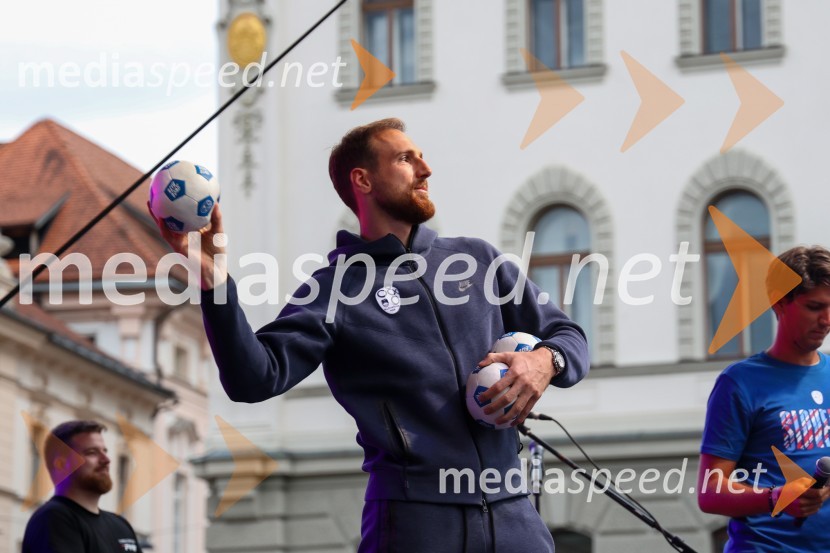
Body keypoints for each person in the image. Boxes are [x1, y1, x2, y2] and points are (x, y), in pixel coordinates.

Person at [153, 118, 590, 551]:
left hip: (514, 514)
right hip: (415, 523)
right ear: (362, 180)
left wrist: (543, 361)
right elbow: (254, 378)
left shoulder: (478, 259)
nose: (425, 169)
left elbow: (568, 335)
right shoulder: (335, 288)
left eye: (421, 157)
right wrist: (214, 281)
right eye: (405, 158)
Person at [698, 245, 830, 551]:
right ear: (779, 303)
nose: (826, 320)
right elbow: (709, 492)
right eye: (814, 307)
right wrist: (776, 498)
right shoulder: (739, 383)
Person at [23, 420, 142, 553]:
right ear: (61, 464)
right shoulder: (52, 519)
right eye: (92, 452)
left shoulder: (121, 526)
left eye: (105, 451)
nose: (106, 460)